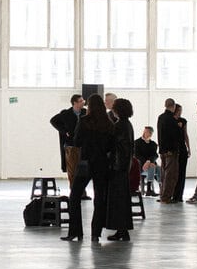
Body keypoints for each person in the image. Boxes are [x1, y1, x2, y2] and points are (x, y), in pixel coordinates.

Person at [65, 95, 111, 243]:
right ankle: (95, 233)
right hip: (102, 164)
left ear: (89, 106)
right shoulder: (108, 123)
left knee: (75, 197)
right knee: (99, 198)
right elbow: (111, 146)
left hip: (85, 163)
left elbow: (77, 141)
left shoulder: (84, 121)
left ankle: (76, 232)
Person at [103, 97, 136, 241]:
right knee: (122, 199)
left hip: (118, 167)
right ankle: (122, 230)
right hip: (123, 166)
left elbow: (113, 146)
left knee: (117, 200)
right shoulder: (127, 125)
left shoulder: (119, 126)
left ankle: (121, 229)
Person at [157, 98, 189, 204]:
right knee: (171, 175)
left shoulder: (161, 117)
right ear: (174, 106)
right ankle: (166, 197)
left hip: (162, 150)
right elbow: (175, 136)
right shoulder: (172, 119)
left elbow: (160, 134)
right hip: (171, 151)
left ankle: (162, 195)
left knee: (164, 174)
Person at [50, 95, 84, 181]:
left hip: (83, 145)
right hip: (70, 145)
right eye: (80, 101)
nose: (83, 102)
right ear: (75, 103)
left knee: (82, 170)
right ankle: (73, 191)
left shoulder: (85, 112)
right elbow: (53, 120)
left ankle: (82, 192)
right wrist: (64, 131)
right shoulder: (66, 113)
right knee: (72, 170)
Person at [134, 125, 159, 194]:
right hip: (141, 166)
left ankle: (162, 188)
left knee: (159, 168)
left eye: (149, 132)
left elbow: (154, 155)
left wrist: (149, 161)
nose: (145, 133)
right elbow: (137, 155)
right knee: (152, 167)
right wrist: (146, 162)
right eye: (145, 132)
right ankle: (148, 189)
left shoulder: (153, 144)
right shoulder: (137, 142)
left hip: (151, 164)